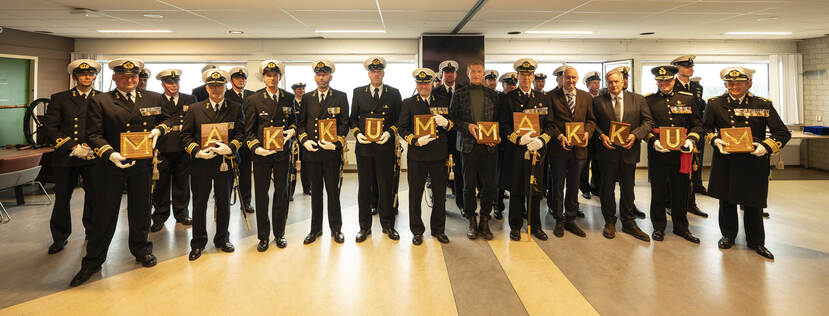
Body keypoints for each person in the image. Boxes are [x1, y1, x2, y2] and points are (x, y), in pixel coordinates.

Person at [71, 58, 165, 286]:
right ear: (114, 78)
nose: (131, 80)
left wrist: (158, 130)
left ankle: (141, 250)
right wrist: (111, 154)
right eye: (125, 77)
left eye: (134, 77)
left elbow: (167, 120)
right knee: (104, 214)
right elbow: (93, 134)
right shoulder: (100, 101)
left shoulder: (153, 98)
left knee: (141, 210)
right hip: (110, 166)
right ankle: (93, 261)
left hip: (141, 165)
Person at [705, 67, 790, 260]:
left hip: (753, 161)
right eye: (730, 83)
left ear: (748, 84)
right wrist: (715, 140)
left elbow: (782, 132)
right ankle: (728, 235)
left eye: (739, 83)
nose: (734, 87)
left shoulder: (762, 104)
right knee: (726, 201)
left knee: (753, 202)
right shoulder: (715, 104)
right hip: (726, 159)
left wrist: (766, 147)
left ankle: (757, 242)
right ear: (725, 85)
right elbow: (706, 128)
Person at [180, 69, 245, 260]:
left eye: (220, 86)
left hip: (224, 163)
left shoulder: (235, 107)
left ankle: (222, 239)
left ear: (226, 87)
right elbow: (185, 135)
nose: (216, 90)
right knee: (199, 205)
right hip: (201, 164)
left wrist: (231, 147)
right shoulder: (195, 109)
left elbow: (241, 133)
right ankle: (198, 243)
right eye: (212, 86)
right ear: (207, 88)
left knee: (224, 203)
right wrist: (196, 151)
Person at [44, 59, 101, 254]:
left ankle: (92, 232)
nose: (87, 77)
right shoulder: (59, 98)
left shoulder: (102, 98)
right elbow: (50, 128)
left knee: (94, 197)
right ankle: (59, 237)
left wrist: (92, 146)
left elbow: (105, 127)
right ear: (75, 76)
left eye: (91, 74)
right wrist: (72, 146)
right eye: (83, 74)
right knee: (62, 199)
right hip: (66, 156)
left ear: (94, 76)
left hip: (93, 155)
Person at [592, 68, 654, 242]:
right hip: (607, 152)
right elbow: (592, 123)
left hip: (629, 151)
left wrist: (635, 135)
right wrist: (601, 135)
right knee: (607, 189)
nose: (613, 85)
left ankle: (628, 222)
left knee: (628, 188)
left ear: (623, 82)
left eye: (616, 82)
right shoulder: (597, 101)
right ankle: (609, 221)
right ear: (607, 83)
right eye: (610, 82)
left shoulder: (638, 99)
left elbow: (648, 122)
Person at [643, 65, 702, 243]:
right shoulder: (648, 101)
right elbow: (645, 125)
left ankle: (681, 227)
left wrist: (691, 140)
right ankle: (658, 227)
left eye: (667, 80)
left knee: (681, 191)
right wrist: (654, 141)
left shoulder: (688, 98)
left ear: (674, 80)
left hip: (681, 154)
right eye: (660, 81)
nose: (664, 83)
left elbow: (697, 125)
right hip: (659, 153)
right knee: (658, 191)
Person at [243, 60, 297, 251]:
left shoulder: (288, 97)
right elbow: (248, 131)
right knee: (262, 195)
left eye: (275, 75)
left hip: (282, 153)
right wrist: (256, 147)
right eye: (268, 75)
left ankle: (280, 234)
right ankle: (263, 236)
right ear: (263, 77)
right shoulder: (253, 100)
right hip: (262, 155)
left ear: (280, 77)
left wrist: (292, 131)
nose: (272, 78)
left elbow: (294, 122)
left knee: (281, 195)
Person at [499, 58, 553, 241]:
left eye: (529, 74)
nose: (526, 78)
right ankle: (515, 226)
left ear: (533, 76)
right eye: (523, 74)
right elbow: (504, 126)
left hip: (537, 152)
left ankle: (535, 225)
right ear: (517, 76)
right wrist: (519, 139)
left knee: (535, 190)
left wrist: (542, 140)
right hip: (517, 152)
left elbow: (551, 126)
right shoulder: (508, 98)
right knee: (516, 190)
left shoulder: (543, 98)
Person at [350, 56, 403, 242]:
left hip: (384, 147)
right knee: (364, 189)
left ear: (383, 73)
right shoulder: (358, 92)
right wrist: (357, 134)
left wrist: (390, 132)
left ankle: (388, 225)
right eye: (372, 71)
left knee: (385, 187)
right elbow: (353, 119)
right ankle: (364, 227)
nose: (376, 74)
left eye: (379, 71)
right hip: (364, 149)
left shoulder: (394, 93)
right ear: (368, 73)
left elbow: (399, 119)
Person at [297, 60, 349, 244]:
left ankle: (336, 229)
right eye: (318, 74)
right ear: (315, 77)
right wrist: (304, 140)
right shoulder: (308, 98)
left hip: (331, 154)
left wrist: (337, 143)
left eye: (325, 74)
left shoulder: (341, 96)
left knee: (333, 193)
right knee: (316, 193)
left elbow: (344, 124)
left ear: (330, 77)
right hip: (312, 153)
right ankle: (315, 230)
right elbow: (301, 123)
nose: (321, 77)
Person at [398, 67, 452, 245]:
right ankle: (417, 230)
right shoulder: (408, 103)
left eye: (426, 83)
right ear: (416, 84)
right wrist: (414, 140)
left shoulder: (443, 100)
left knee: (439, 195)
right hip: (417, 155)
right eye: (420, 83)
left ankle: (438, 230)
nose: (423, 86)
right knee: (415, 195)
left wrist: (446, 123)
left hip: (438, 155)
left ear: (431, 83)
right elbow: (402, 128)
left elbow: (452, 125)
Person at [448, 62, 500, 240]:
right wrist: (467, 126)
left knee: (489, 185)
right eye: (473, 72)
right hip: (468, 146)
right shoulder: (459, 94)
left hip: (488, 146)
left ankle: (485, 219)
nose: (476, 74)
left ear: (483, 74)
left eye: (479, 71)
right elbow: (452, 118)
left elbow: (499, 120)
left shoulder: (493, 95)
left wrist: (496, 136)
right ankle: (471, 219)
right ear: (468, 74)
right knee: (468, 185)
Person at [548, 66, 596, 238]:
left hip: (579, 150)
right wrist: (560, 136)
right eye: (568, 78)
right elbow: (549, 123)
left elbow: (591, 120)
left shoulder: (585, 96)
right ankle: (558, 220)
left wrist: (587, 133)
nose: (571, 81)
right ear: (562, 78)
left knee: (574, 186)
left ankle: (570, 219)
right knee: (558, 186)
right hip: (559, 149)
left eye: (574, 78)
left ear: (578, 78)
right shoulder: (551, 96)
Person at [150, 69, 195, 232]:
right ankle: (160, 215)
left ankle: (182, 213)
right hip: (163, 147)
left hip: (183, 147)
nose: (173, 85)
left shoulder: (190, 99)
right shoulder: (156, 99)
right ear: (163, 84)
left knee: (182, 183)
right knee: (161, 185)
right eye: (170, 82)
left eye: (176, 82)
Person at [671, 55, 709, 217]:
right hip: (678, 133)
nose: (690, 68)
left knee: (695, 169)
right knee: (675, 171)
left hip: (695, 133)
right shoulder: (672, 85)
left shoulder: (696, 87)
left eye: (691, 66)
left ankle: (691, 202)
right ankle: (671, 203)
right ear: (678, 68)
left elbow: (699, 111)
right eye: (686, 66)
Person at [433, 60, 465, 212]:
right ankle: (439, 202)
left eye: (452, 72)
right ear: (443, 74)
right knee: (439, 173)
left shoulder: (462, 90)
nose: (449, 75)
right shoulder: (435, 92)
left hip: (459, 137)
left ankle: (461, 203)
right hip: (440, 139)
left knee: (459, 172)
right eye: (446, 72)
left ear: (455, 74)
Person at [224, 66, 256, 212]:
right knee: (228, 174)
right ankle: (224, 202)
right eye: (237, 78)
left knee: (245, 173)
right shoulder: (225, 95)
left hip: (248, 140)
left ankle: (246, 201)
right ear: (231, 81)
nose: (241, 80)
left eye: (243, 78)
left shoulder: (252, 95)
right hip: (231, 141)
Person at [579, 71, 602, 200]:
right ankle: (584, 188)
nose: (596, 85)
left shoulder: (604, 96)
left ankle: (596, 186)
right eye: (593, 82)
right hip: (586, 135)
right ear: (587, 84)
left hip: (599, 137)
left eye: (598, 82)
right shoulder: (583, 97)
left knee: (598, 163)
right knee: (584, 163)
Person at [290, 82, 311, 196]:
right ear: (294, 91)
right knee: (292, 164)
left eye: (303, 89)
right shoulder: (290, 101)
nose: (301, 91)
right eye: (298, 89)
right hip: (293, 138)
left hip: (305, 137)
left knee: (306, 164)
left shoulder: (308, 101)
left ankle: (307, 188)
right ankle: (291, 192)